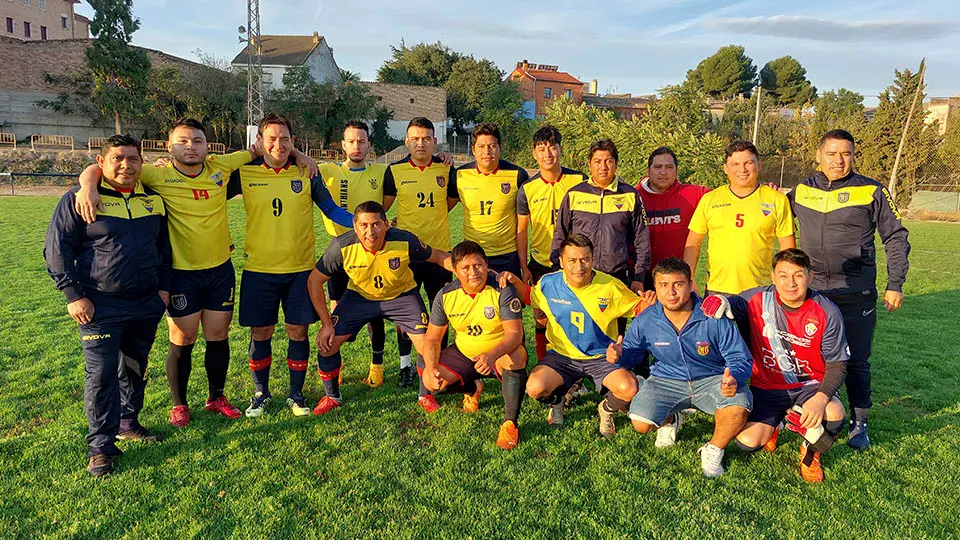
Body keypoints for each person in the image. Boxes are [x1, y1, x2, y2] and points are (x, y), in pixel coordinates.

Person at [72, 118, 318, 427]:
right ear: (168, 146)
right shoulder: (156, 175)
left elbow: (269, 149)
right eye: (183, 141)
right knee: (183, 337)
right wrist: (86, 185)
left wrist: (302, 155)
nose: (191, 146)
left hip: (219, 270)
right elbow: (106, 167)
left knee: (218, 335)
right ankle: (180, 404)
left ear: (207, 145)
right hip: (181, 273)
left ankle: (216, 397)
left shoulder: (221, 167)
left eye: (197, 141)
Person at [44, 135, 171, 477]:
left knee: (134, 367)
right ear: (101, 163)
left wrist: (163, 290)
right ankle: (100, 446)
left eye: (132, 159)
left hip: (145, 302)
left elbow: (164, 250)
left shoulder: (154, 201)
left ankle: (128, 422)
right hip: (98, 304)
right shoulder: (81, 198)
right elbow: (57, 251)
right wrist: (73, 295)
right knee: (100, 376)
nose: (125, 165)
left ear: (141, 163)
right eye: (117, 158)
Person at [788, 129, 910, 449]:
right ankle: (817, 413)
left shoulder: (871, 190)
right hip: (812, 293)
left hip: (856, 291)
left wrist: (895, 283)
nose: (839, 160)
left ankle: (860, 424)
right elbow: (772, 212)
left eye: (846, 154)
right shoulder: (801, 191)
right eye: (832, 153)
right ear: (819, 156)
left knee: (856, 359)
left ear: (854, 157)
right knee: (810, 358)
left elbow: (895, 236)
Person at [229, 114, 354, 418]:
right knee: (261, 331)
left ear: (293, 142)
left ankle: (296, 394)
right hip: (259, 268)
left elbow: (332, 210)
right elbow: (206, 190)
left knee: (298, 331)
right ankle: (261, 393)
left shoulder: (306, 172)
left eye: (285, 139)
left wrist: (365, 225)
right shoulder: (244, 172)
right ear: (259, 141)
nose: (278, 144)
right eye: (271, 138)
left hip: (300, 270)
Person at [701, 248, 849, 482]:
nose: (790, 283)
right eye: (783, 275)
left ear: (810, 277)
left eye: (798, 275)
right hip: (767, 388)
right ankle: (778, 423)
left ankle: (810, 454)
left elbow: (838, 364)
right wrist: (720, 300)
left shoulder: (827, 311)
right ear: (773, 277)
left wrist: (820, 399)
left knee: (833, 414)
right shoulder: (757, 299)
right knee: (746, 443)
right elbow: (732, 303)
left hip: (809, 386)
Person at [609, 257, 752, 478]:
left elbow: (740, 358)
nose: (671, 292)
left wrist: (734, 377)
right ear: (655, 288)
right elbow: (632, 355)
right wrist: (620, 356)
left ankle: (713, 449)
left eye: (678, 284)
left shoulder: (713, 317)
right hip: (666, 380)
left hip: (712, 379)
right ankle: (670, 420)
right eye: (663, 286)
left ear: (690, 284)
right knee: (640, 422)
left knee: (738, 406)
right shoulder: (645, 320)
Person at [307, 202, 454, 415]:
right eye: (364, 225)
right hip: (360, 298)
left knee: (427, 346)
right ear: (355, 227)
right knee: (327, 344)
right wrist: (326, 324)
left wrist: (464, 270)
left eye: (376, 224)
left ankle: (425, 394)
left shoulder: (405, 240)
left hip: (402, 297)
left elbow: (439, 256)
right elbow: (314, 281)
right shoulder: (341, 246)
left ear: (386, 224)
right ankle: (332, 397)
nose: (370, 231)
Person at [500, 234, 651, 436]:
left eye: (584, 260)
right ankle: (558, 400)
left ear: (592, 259)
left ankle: (606, 410)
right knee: (535, 388)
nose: (579, 267)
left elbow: (639, 308)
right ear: (561, 262)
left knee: (629, 388)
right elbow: (529, 296)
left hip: (600, 357)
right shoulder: (548, 283)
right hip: (562, 357)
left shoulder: (610, 286)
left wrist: (651, 301)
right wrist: (513, 280)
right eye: (572, 261)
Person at [418, 241, 528, 450]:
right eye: (465, 268)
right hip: (465, 353)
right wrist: (431, 369)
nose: (473, 272)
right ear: (455, 270)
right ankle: (473, 388)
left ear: (486, 264)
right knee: (432, 382)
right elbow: (432, 339)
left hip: (500, 352)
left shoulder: (502, 289)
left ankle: (510, 423)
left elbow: (515, 334)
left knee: (517, 357)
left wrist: (491, 355)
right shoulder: (445, 295)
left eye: (478, 265)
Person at [383, 117, 459, 388]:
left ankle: (442, 365)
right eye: (415, 138)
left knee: (443, 312)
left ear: (435, 142)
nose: (421, 143)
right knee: (407, 313)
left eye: (426, 138)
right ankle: (405, 366)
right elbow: (383, 207)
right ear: (406, 141)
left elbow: (450, 202)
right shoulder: (394, 170)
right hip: (407, 255)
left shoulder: (446, 169)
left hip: (440, 253)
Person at [318, 120, 390, 388]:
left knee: (375, 310)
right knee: (337, 313)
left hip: (371, 250)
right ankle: (335, 364)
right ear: (343, 145)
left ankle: (377, 365)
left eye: (362, 141)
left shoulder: (382, 172)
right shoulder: (327, 170)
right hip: (341, 251)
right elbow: (298, 159)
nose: (357, 146)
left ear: (369, 144)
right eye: (352, 141)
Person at [684, 140, 795, 295]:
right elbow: (693, 243)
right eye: (735, 164)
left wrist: (785, 281)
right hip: (718, 289)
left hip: (760, 289)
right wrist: (688, 279)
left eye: (748, 163)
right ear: (725, 168)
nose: (742, 169)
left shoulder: (776, 199)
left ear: (759, 165)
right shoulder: (710, 199)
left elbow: (787, 247)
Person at [516, 125, 586, 360]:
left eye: (552, 148)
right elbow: (522, 230)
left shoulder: (578, 180)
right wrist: (524, 266)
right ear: (534, 154)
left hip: (574, 263)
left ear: (561, 150)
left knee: (572, 316)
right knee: (541, 316)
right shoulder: (527, 189)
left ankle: (574, 371)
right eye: (541, 149)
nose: (548, 154)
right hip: (540, 262)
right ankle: (543, 363)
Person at [551, 138, 650, 295]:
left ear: (616, 163)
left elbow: (641, 240)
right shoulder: (574, 194)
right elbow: (559, 235)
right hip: (580, 276)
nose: (603, 167)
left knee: (616, 321)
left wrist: (638, 277)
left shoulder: (630, 195)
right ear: (589, 164)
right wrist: (557, 268)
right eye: (597, 161)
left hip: (616, 278)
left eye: (608, 161)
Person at [450, 122, 529, 275]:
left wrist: (523, 265)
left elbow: (525, 223)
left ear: (500, 147)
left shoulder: (517, 175)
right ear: (473, 149)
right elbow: (441, 208)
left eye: (492, 146)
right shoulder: (459, 175)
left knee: (510, 298)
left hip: (507, 255)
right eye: (481, 147)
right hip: (474, 255)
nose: (487, 151)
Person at [637, 146, 709, 289]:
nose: (663, 172)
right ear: (648, 171)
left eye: (669, 167)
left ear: (676, 171)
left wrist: (763, 190)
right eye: (658, 167)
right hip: (641, 279)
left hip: (678, 279)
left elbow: (727, 195)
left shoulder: (694, 194)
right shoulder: (633, 196)